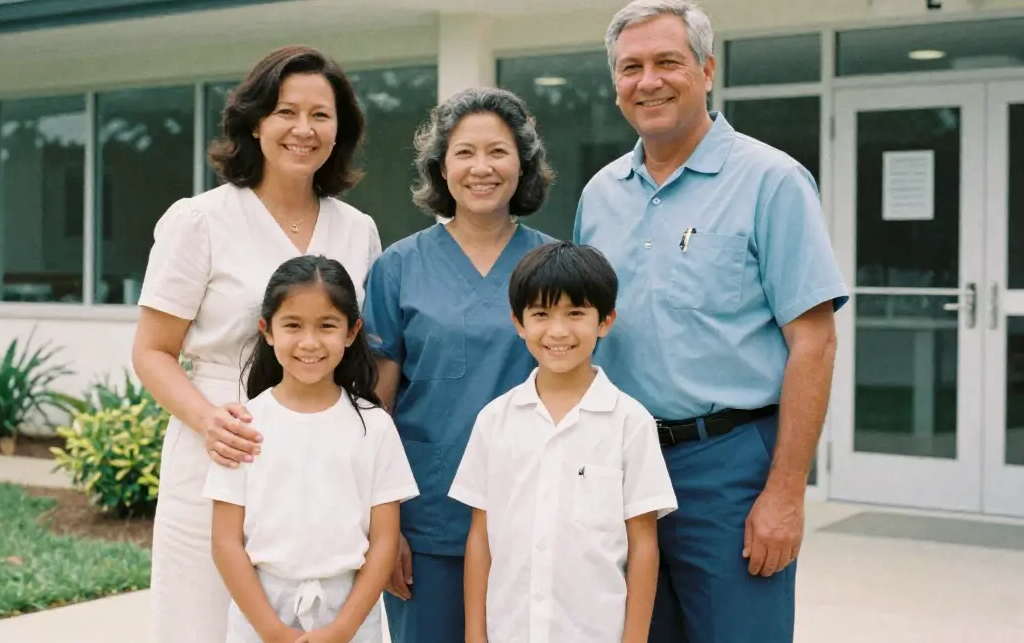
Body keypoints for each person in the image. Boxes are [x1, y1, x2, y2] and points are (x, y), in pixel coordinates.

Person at [573, 0, 847, 643]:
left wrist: (785, 493)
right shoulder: (599, 195)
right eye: (631, 67)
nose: (649, 81)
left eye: (668, 61)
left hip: (730, 468)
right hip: (622, 464)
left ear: (707, 70)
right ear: (616, 86)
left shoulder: (772, 182)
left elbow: (815, 343)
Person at [132, 45, 382, 642]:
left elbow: (358, 348)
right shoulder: (199, 220)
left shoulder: (358, 229)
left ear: (339, 129)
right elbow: (151, 350)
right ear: (254, 122)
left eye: (321, 115)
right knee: (200, 620)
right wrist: (209, 420)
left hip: (322, 458)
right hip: (220, 446)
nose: (303, 129)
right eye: (285, 112)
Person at [359, 86, 557, 643]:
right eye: (465, 152)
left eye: (498, 151)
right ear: (441, 168)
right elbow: (376, 406)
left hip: (535, 512)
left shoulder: (552, 266)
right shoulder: (398, 267)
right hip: (429, 518)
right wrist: (386, 527)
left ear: (523, 163)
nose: (482, 168)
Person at [449, 241, 678, 643]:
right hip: (510, 630)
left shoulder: (630, 422)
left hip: (596, 632)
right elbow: (480, 537)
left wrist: (636, 638)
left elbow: (643, 544)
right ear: (519, 323)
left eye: (576, 313)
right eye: (540, 314)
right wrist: (475, 635)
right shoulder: (494, 420)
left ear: (605, 321)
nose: (558, 331)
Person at [204, 255, 419, 643]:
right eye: (292, 325)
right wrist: (272, 631)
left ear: (352, 331)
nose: (309, 342)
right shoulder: (244, 427)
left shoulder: (374, 426)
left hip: (350, 613)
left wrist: (342, 629)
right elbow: (225, 541)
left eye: (326, 326)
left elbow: (385, 540)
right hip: (260, 616)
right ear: (266, 330)